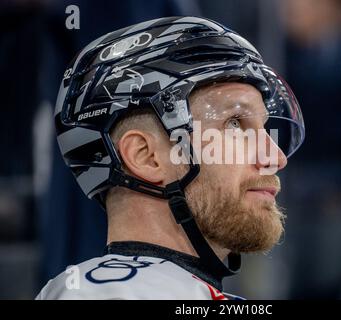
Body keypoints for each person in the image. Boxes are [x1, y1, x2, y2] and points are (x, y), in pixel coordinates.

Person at [36, 16, 305, 299]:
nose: (275, 157)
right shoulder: (107, 293)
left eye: (263, 128)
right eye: (235, 124)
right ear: (146, 156)